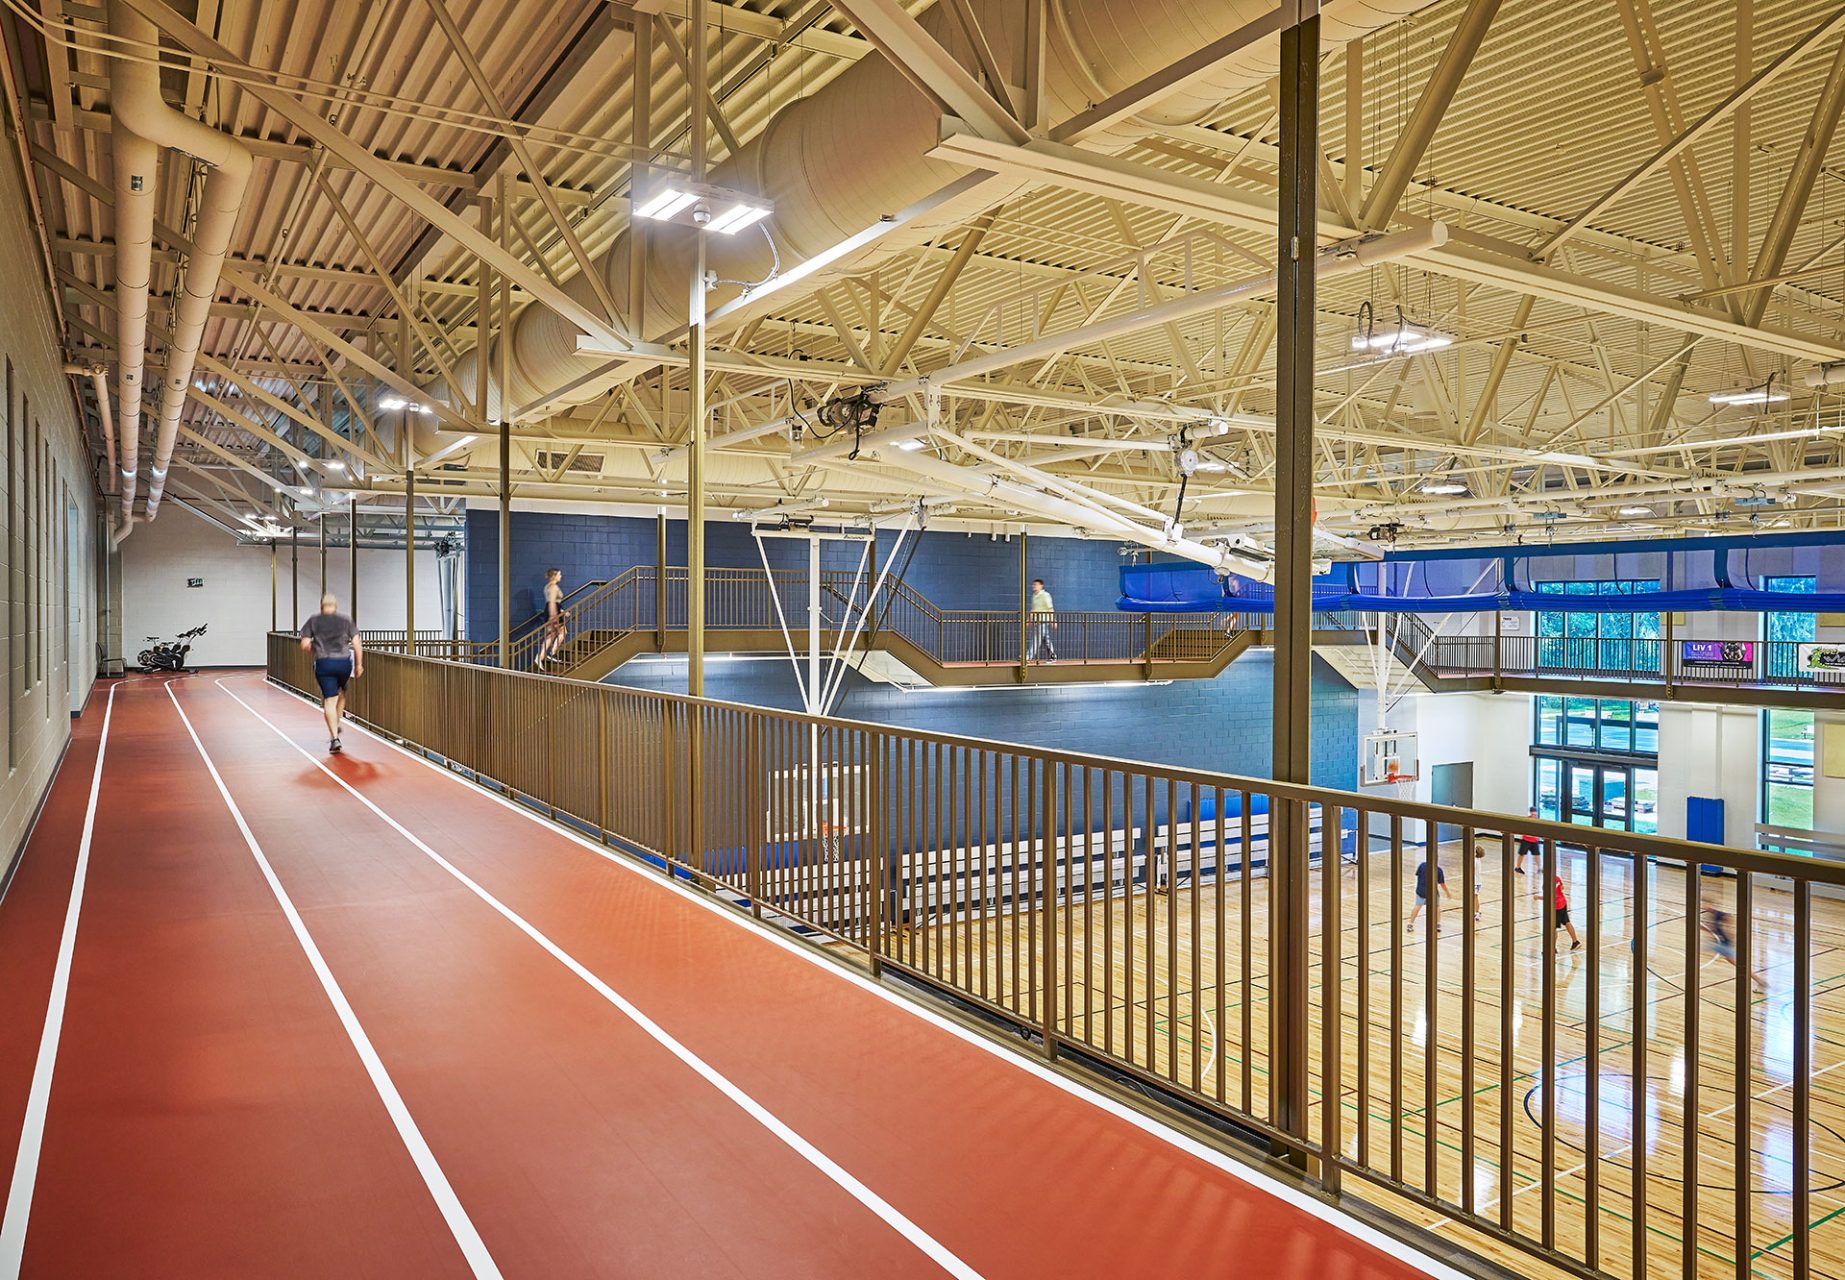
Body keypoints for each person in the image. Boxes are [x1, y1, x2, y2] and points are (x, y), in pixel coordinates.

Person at [298, 593, 362, 753]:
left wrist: (316, 648)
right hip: (344, 663)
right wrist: (359, 665)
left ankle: (334, 738)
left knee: (329, 700)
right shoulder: (346, 620)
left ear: (321, 606)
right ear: (335, 606)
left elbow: (305, 645)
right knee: (341, 694)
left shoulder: (314, 620)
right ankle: (337, 723)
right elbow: (356, 643)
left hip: (324, 662)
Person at [1702, 891, 1767, 992]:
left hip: (1724, 944)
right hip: (1721, 944)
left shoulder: (1718, 914)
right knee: (1736, 963)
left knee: (1740, 964)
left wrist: (1729, 932)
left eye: (1704, 903)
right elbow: (1713, 930)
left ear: (1710, 904)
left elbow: (1728, 918)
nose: (1703, 906)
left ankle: (1760, 982)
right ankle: (1760, 981)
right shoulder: (1711, 915)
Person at [535, 568, 569, 670]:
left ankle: (541, 656)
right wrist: (553, 617)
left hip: (554, 611)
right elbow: (552, 603)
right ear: (554, 576)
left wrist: (562, 611)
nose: (561, 576)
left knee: (552, 635)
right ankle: (552, 653)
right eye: (559, 574)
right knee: (563, 632)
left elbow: (555, 603)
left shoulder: (548, 587)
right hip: (553, 612)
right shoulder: (553, 587)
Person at [1408, 857, 1448, 934]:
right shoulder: (1438, 870)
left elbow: (1417, 874)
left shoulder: (1422, 866)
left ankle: (1410, 924)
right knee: (1437, 907)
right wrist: (1447, 892)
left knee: (1417, 906)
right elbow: (1442, 883)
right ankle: (1438, 924)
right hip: (1432, 892)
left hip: (1421, 891)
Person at [1027, 577, 1057, 662]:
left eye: (1036, 585)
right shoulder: (1034, 596)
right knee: (1046, 640)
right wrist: (1029, 620)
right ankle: (1053, 656)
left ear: (1041, 586)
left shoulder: (1045, 595)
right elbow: (1033, 609)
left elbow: (1050, 609)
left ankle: (1028, 656)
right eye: (1033, 585)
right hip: (1037, 621)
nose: (1034, 586)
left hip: (1043, 621)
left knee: (1037, 638)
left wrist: (1053, 621)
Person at [1551, 872, 1582, 950]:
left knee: (1553, 927)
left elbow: (1549, 896)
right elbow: (1562, 888)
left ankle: (1552, 948)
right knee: (1567, 922)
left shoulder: (1547, 883)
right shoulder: (1557, 878)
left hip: (1556, 907)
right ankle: (1575, 942)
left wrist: (1538, 897)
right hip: (1563, 903)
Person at [1514, 810, 1541, 877]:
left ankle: (1539, 868)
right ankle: (1518, 867)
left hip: (1534, 841)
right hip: (1526, 840)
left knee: (1537, 854)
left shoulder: (1538, 821)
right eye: (1532, 814)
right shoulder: (1526, 820)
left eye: (1534, 814)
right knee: (1521, 854)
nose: (1533, 815)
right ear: (1530, 813)